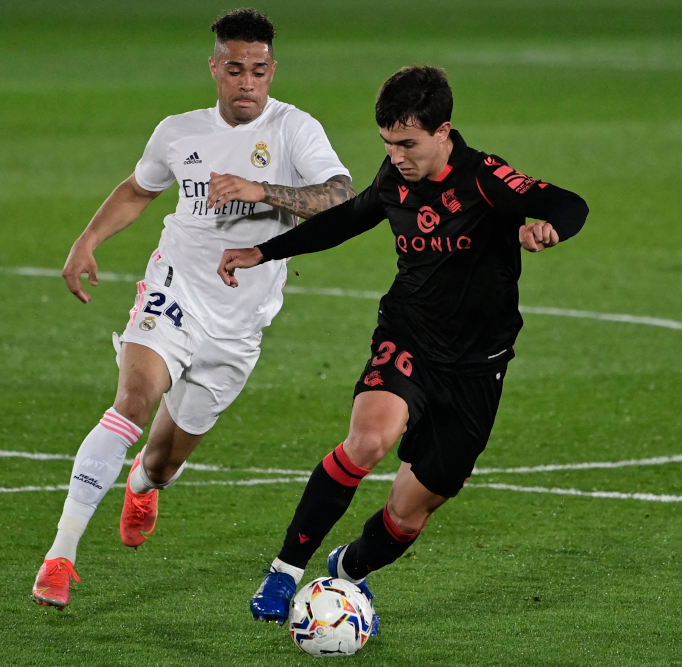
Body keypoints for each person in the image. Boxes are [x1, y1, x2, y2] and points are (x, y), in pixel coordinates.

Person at [218, 66, 589, 627]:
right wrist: (263, 251)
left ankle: (348, 568)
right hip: (408, 336)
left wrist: (549, 229)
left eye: (408, 144)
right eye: (388, 144)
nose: (396, 155)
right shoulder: (396, 179)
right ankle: (284, 571)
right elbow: (348, 217)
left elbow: (566, 201)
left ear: (444, 131)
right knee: (367, 442)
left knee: (409, 514)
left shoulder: (486, 178)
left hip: (475, 368)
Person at [32, 8, 355, 610]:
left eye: (259, 70)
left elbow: (343, 198)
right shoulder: (179, 132)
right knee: (131, 401)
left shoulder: (295, 130)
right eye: (235, 70)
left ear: (272, 70)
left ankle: (143, 484)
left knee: (162, 458)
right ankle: (60, 556)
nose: (247, 83)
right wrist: (87, 240)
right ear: (214, 69)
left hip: (239, 327)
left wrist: (265, 191)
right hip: (174, 290)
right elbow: (138, 189)